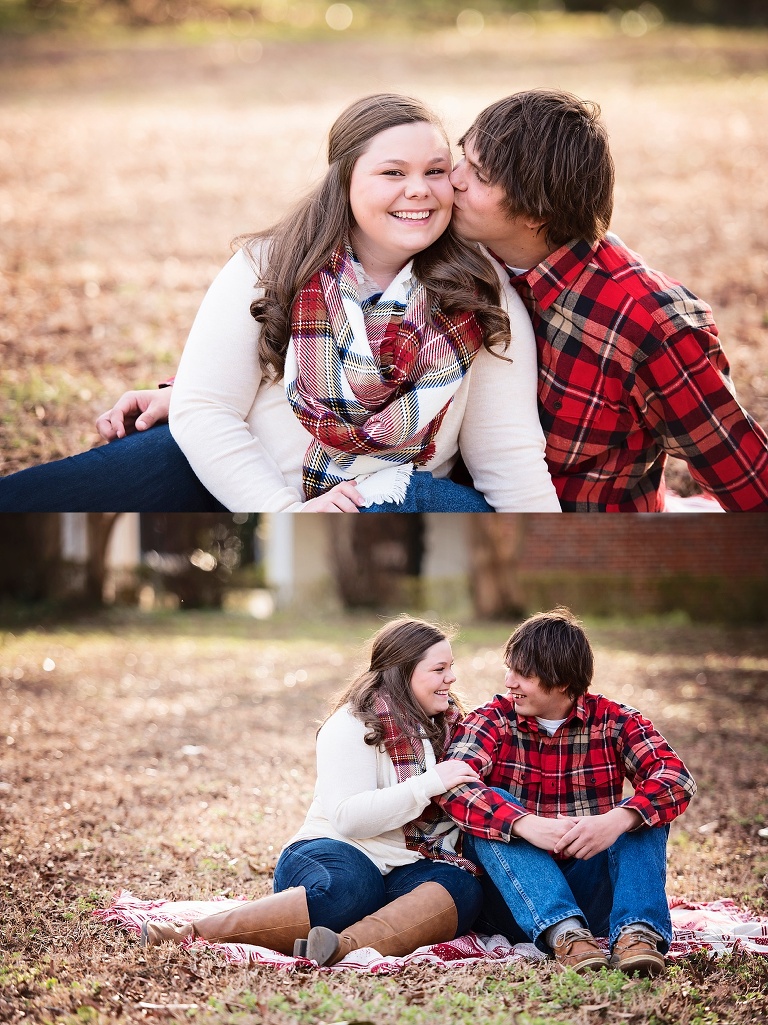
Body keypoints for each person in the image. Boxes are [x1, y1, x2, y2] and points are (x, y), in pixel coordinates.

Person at [0, 94, 559, 514]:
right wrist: (284, 513)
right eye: (392, 173)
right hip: (235, 475)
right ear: (344, 183)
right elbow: (206, 410)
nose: (420, 190)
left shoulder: (483, 298)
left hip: (387, 498)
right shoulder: (270, 263)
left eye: (435, 171)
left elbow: (508, 459)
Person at [448, 89, 768, 511]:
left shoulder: (649, 325)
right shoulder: (461, 256)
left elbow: (748, 482)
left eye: (480, 175)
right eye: (462, 156)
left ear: (537, 212)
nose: (454, 177)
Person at [141, 616, 484, 965]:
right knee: (354, 889)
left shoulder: (455, 730)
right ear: (403, 672)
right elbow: (349, 819)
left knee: (462, 890)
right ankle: (191, 935)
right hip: (332, 854)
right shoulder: (352, 724)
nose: (452, 678)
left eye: (451, 667)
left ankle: (341, 947)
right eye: (439, 669)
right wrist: (430, 783)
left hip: (408, 863)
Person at [436, 607, 696, 976]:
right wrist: (524, 824)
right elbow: (453, 788)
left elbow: (676, 778)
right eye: (509, 669)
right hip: (514, 902)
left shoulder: (616, 721)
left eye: (523, 674)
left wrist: (616, 820)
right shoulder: (490, 720)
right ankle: (566, 935)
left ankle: (637, 934)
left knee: (643, 811)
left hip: (593, 893)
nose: (509, 682)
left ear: (561, 681)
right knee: (494, 812)